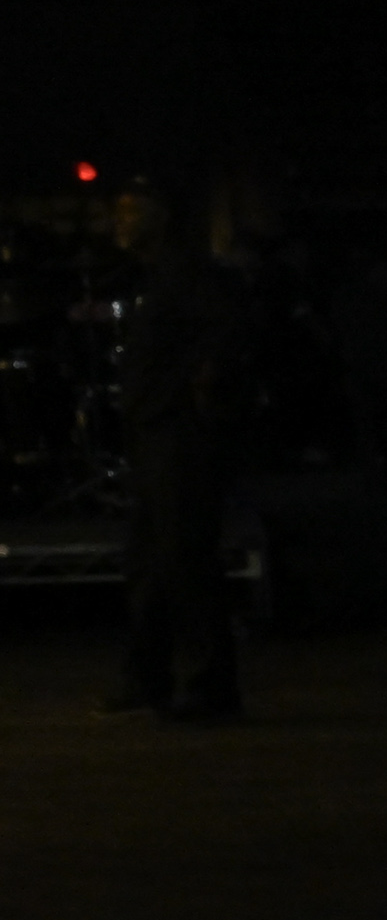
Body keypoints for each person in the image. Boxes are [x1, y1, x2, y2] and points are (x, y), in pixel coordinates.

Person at [104, 186, 251, 721]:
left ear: (162, 216)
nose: (119, 221)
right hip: (154, 433)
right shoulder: (153, 277)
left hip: (178, 436)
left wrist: (204, 384)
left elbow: (228, 326)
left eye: (130, 210)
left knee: (185, 559)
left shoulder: (186, 273)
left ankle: (209, 688)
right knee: (148, 562)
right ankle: (151, 677)